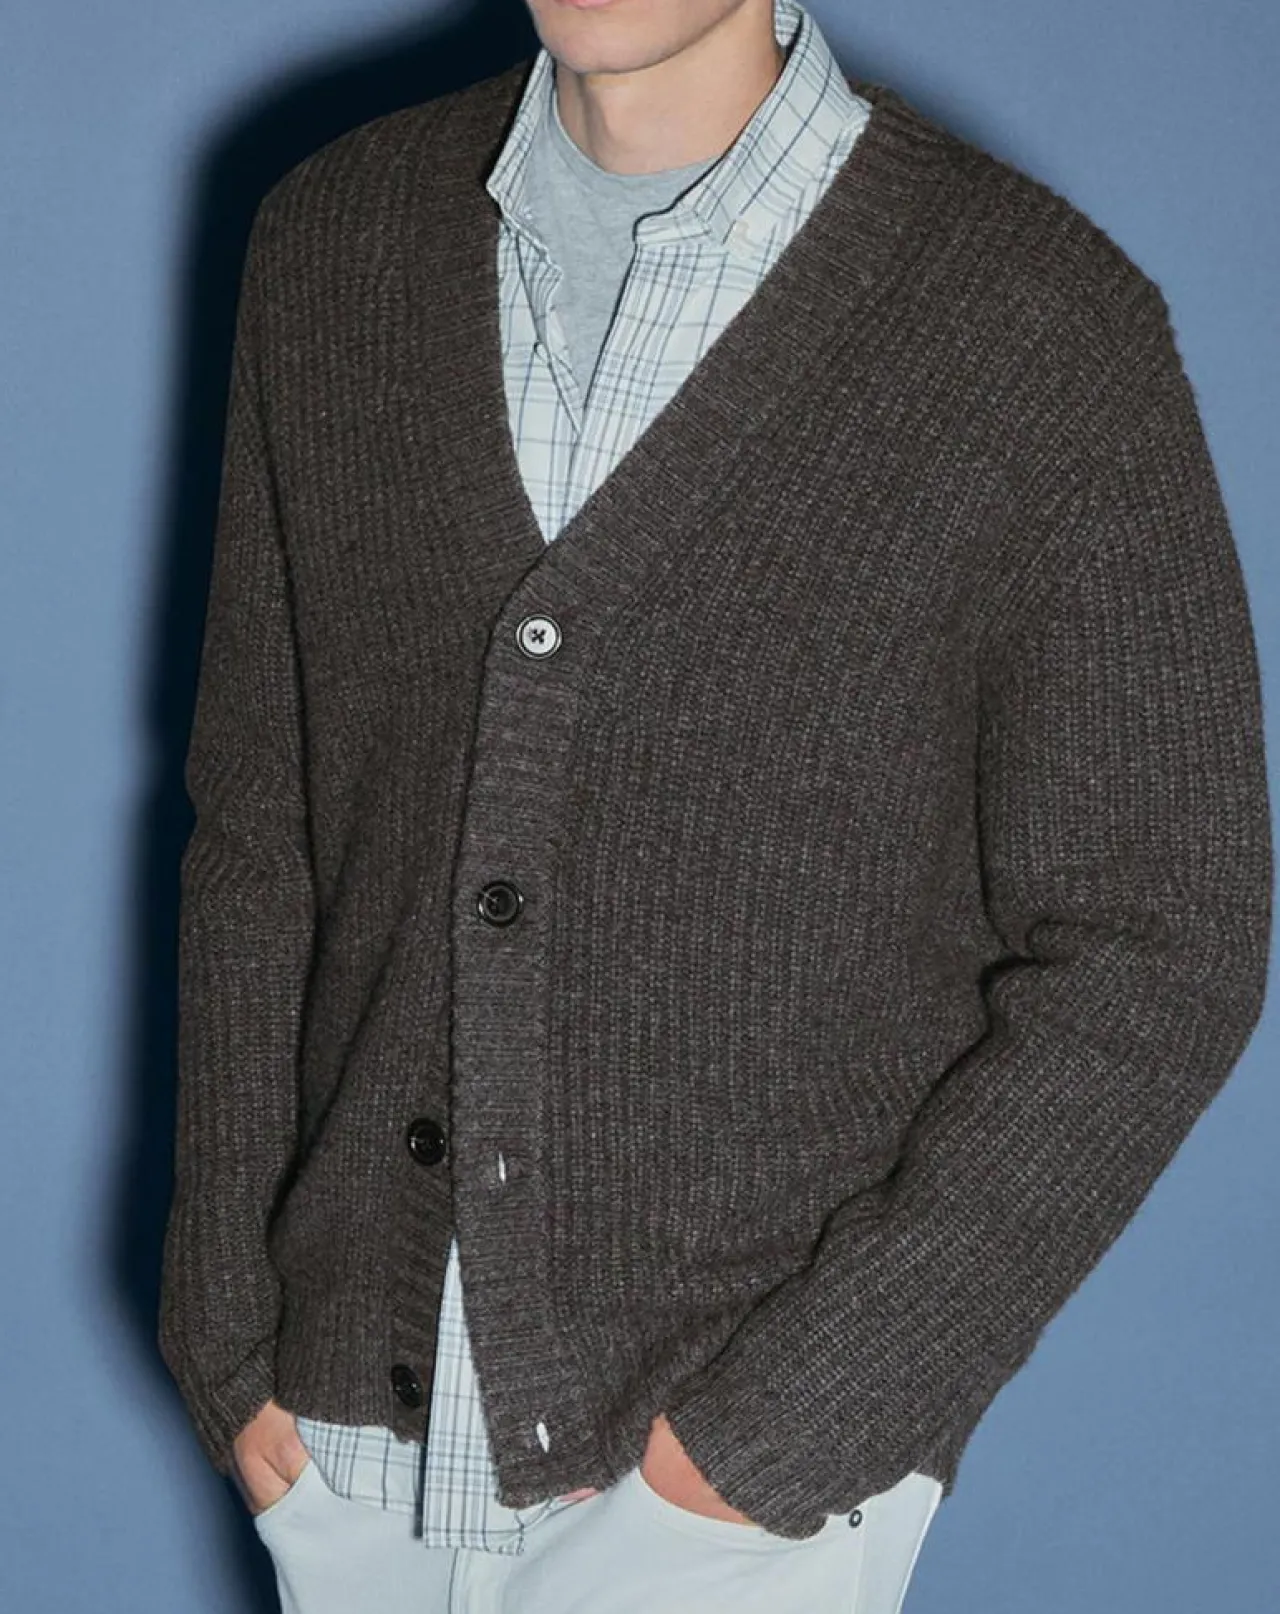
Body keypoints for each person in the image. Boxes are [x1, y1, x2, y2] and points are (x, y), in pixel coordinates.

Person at [158, 0, 1273, 1610]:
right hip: (348, 1447)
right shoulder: (331, 244)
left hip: (732, 1484)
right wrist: (225, 1324)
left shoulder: (1035, 321)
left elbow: (1163, 943)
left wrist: (784, 1431)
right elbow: (262, 826)